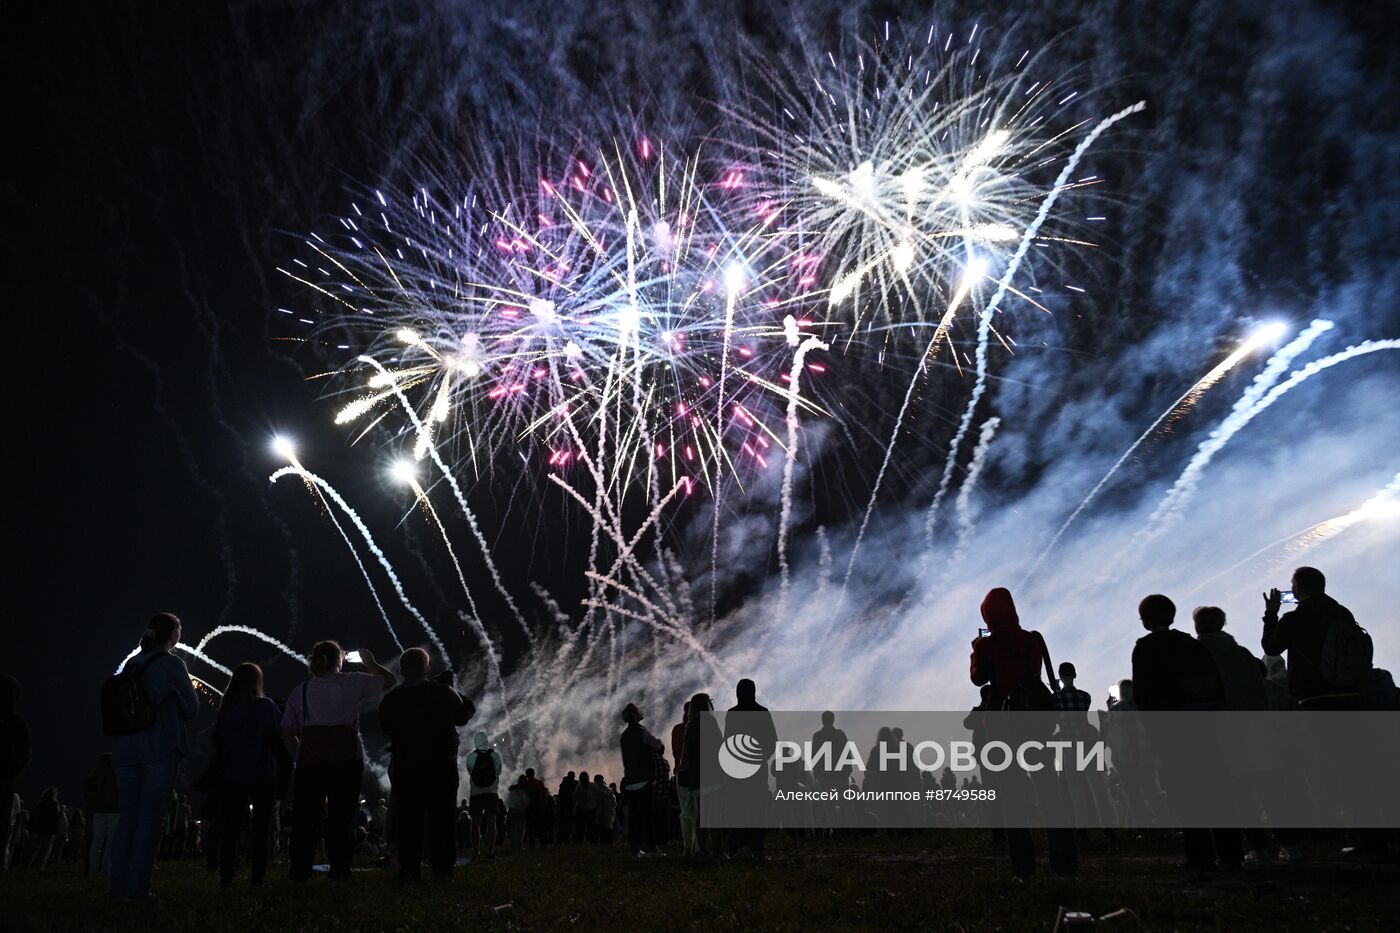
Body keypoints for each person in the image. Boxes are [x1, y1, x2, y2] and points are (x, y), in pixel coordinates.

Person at [970, 587, 1077, 879]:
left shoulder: (987, 646)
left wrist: (976, 648)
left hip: (1004, 725)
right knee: (1049, 792)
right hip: (1035, 720)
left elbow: (978, 679)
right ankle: (1065, 863)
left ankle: (1024, 868)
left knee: (1013, 797)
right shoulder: (1033, 638)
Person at [1132, 594, 1238, 870]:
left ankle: (1200, 857)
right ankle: (1231, 853)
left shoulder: (1145, 648)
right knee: (1218, 790)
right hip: (1206, 726)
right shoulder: (1191, 644)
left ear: (1146, 619)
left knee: (1187, 796)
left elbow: (1145, 698)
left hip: (1172, 732)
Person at [281, 640, 395, 882]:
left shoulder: (301, 690)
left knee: (305, 819)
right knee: (341, 818)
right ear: (339, 661)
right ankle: (340, 870)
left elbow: (286, 730)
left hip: (310, 762)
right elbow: (389, 681)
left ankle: (299, 872)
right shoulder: (353, 682)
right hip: (346, 760)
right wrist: (370, 663)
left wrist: (298, 755)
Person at [109, 613, 198, 900]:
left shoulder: (131, 665)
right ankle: (138, 888)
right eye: (179, 629)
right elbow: (192, 708)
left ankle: (118, 886)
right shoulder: (173, 664)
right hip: (160, 748)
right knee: (150, 819)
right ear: (172, 634)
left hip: (126, 749)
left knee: (128, 818)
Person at [377, 648, 473, 880]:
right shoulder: (442, 693)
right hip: (441, 766)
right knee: (442, 818)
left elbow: (386, 728)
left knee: (410, 820)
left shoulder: (391, 698)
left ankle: (410, 868)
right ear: (427, 668)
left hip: (407, 767)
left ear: (401, 670)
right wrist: (450, 688)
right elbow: (464, 713)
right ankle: (443, 869)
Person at [213, 663, 282, 887]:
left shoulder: (227, 709)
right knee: (262, 828)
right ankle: (258, 878)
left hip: (233, 773)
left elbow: (219, 742)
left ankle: (226, 876)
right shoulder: (266, 706)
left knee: (231, 827)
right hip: (263, 772)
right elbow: (276, 738)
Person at [1262, 567, 1366, 709]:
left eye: (1293, 585)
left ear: (1297, 589)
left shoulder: (1294, 620)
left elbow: (1271, 648)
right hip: (1351, 693)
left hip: (1312, 697)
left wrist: (1271, 614)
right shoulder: (1343, 613)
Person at [726, 678, 776, 860]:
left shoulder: (732, 714)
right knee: (757, 807)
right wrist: (762, 757)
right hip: (758, 768)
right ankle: (758, 848)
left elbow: (728, 742)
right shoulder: (763, 712)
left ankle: (741, 846)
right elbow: (772, 741)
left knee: (740, 807)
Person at [619, 702, 665, 857]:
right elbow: (659, 747)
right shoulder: (642, 732)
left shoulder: (624, 736)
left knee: (633, 817)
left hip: (630, 781)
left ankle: (635, 848)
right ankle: (651, 847)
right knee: (647, 815)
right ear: (634, 715)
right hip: (644, 780)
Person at [0, 674, 31, 872]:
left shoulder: (15, 721)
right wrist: (12, 768)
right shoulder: (15, 721)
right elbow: (25, 751)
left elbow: (24, 751)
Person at [464, 731, 504, 859]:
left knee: (475, 824)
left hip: (476, 793)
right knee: (492, 823)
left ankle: (476, 851)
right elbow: (499, 771)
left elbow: (470, 772)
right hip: (491, 792)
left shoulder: (471, 756)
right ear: (487, 740)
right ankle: (490, 851)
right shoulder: (495, 755)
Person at [85, 753, 120, 875]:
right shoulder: (117, 776)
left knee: (96, 842)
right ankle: (105, 869)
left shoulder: (94, 777)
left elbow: (89, 794)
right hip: (114, 812)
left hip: (99, 812)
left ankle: (93, 869)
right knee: (110, 844)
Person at [810, 711, 851, 793]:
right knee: (843, 802)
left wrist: (817, 773)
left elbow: (814, 757)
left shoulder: (817, 736)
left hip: (825, 776)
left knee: (828, 804)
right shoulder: (840, 735)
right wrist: (847, 770)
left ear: (822, 720)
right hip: (840, 775)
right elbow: (847, 754)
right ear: (833, 720)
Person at [556, 772, 576, 844]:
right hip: (570, 807)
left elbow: (560, 796)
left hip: (563, 808)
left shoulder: (563, 785)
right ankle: (567, 840)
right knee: (568, 825)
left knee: (562, 826)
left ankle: (560, 841)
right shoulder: (575, 784)